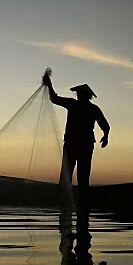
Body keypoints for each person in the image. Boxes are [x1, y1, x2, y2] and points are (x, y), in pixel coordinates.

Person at [42, 72, 110, 208]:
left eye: (80, 94)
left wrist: (105, 136)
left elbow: (105, 126)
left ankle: (81, 203)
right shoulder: (76, 105)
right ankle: (67, 202)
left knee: (82, 176)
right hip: (72, 145)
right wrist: (49, 84)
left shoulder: (90, 108)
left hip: (83, 145)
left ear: (86, 96)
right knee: (68, 175)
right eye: (78, 94)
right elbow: (54, 99)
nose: (78, 96)